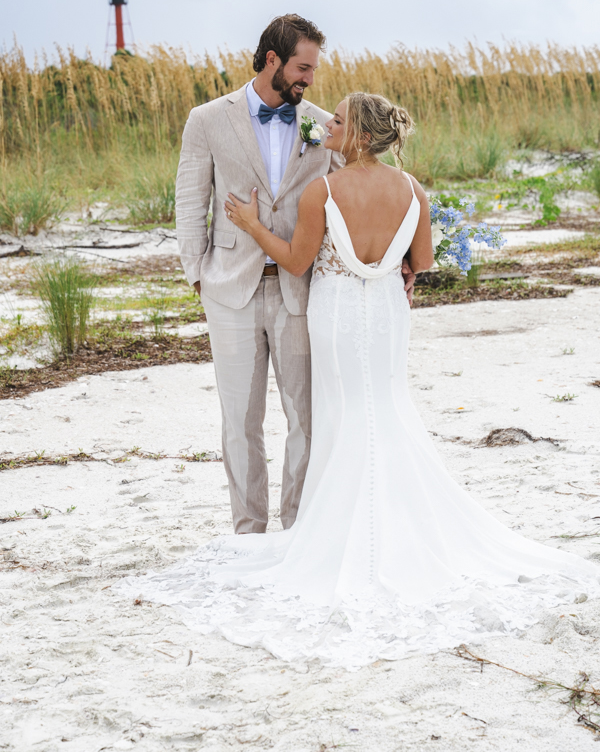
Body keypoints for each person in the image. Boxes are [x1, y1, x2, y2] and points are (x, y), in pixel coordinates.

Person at [117, 92, 598, 668]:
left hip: (338, 313)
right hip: (388, 315)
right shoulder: (413, 190)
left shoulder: (324, 190)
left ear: (361, 136)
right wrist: (389, 267)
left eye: (339, 121)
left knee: (343, 415)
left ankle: (336, 530)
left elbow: (297, 262)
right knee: (387, 409)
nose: (328, 126)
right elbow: (420, 261)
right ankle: (396, 527)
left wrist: (247, 222)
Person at [175, 12, 415, 535]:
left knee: (305, 418)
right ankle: (248, 531)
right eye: (303, 68)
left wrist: (387, 264)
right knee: (239, 422)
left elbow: (355, 199)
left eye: (313, 71)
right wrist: (198, 275)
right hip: (229, 289)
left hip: (301, 291)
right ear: (272, 61)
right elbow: (191, 200)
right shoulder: (208, 119)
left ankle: (300, 531)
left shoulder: (325, 125)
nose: (309, 80)